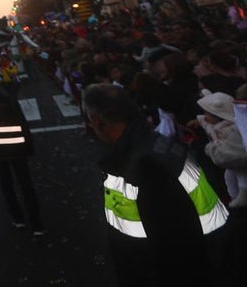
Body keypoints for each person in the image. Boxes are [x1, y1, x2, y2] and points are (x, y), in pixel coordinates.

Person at [82, 83, 231, 287]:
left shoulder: (144, 167)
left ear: (96, 120)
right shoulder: (158, 144)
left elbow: (172, 247)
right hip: (213, 255)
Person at [0, 69, 45, 234]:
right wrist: (29, 146)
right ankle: (36, 223)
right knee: (26, 184)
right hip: (17, 147)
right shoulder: (8, 99)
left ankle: (17, 218)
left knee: (7, 185)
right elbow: (22, 123)